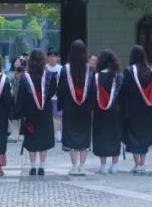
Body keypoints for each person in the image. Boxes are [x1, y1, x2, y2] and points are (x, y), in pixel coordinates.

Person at [12, 48, 56, 175]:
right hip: (45, 112)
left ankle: (32, 167)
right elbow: (52, 92)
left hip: (30, 113)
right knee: (43, 139)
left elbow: (20, 97)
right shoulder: (50, 76)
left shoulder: (25, 78)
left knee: (32, 139)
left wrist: (16, 113)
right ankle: (42, 167)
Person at [58, 39, 93, 175]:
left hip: (70, 108)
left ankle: (74, 166)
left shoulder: (65, 69)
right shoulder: (90, 70)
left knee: (71, 135)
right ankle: (82, 167)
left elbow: (61, 89)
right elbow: (93, 91)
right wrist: (91, 106)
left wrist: (61, 105)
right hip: (85, 109)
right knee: (84, 135)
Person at [121, 44, 152, 174]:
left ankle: (137, 164)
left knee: (133, 136)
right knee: (144, 135)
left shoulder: (128, 71)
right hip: (147, 110)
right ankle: (143, 163)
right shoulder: (151, 71)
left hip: (133, 109)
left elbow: (125, 91)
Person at [92, 49, 123, 174]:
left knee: (101, 136)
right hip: (116, 111)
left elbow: (93, 95)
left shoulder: (96, 77)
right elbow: (123, 95)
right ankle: (114, 165)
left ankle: (103, 166)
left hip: (100, 111)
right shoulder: (119, 76)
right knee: (115, 136)